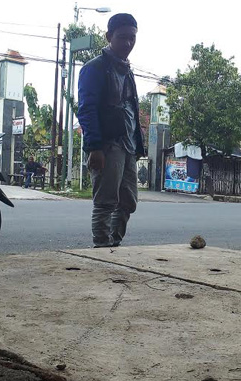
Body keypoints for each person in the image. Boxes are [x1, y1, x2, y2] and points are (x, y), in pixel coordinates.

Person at [77, 13, 146, 248]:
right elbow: (86, 110)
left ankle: (112, 246)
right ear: (109, 37)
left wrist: (138, 144)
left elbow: (131, 111)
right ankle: (102, 251)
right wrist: (94, 147)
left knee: (128, 202)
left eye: (132, 38)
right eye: (122, 37)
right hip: (107, 145)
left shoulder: (127, 70)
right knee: (105, 203)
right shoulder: (94, 69)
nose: (128, 43)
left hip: (128, 146)